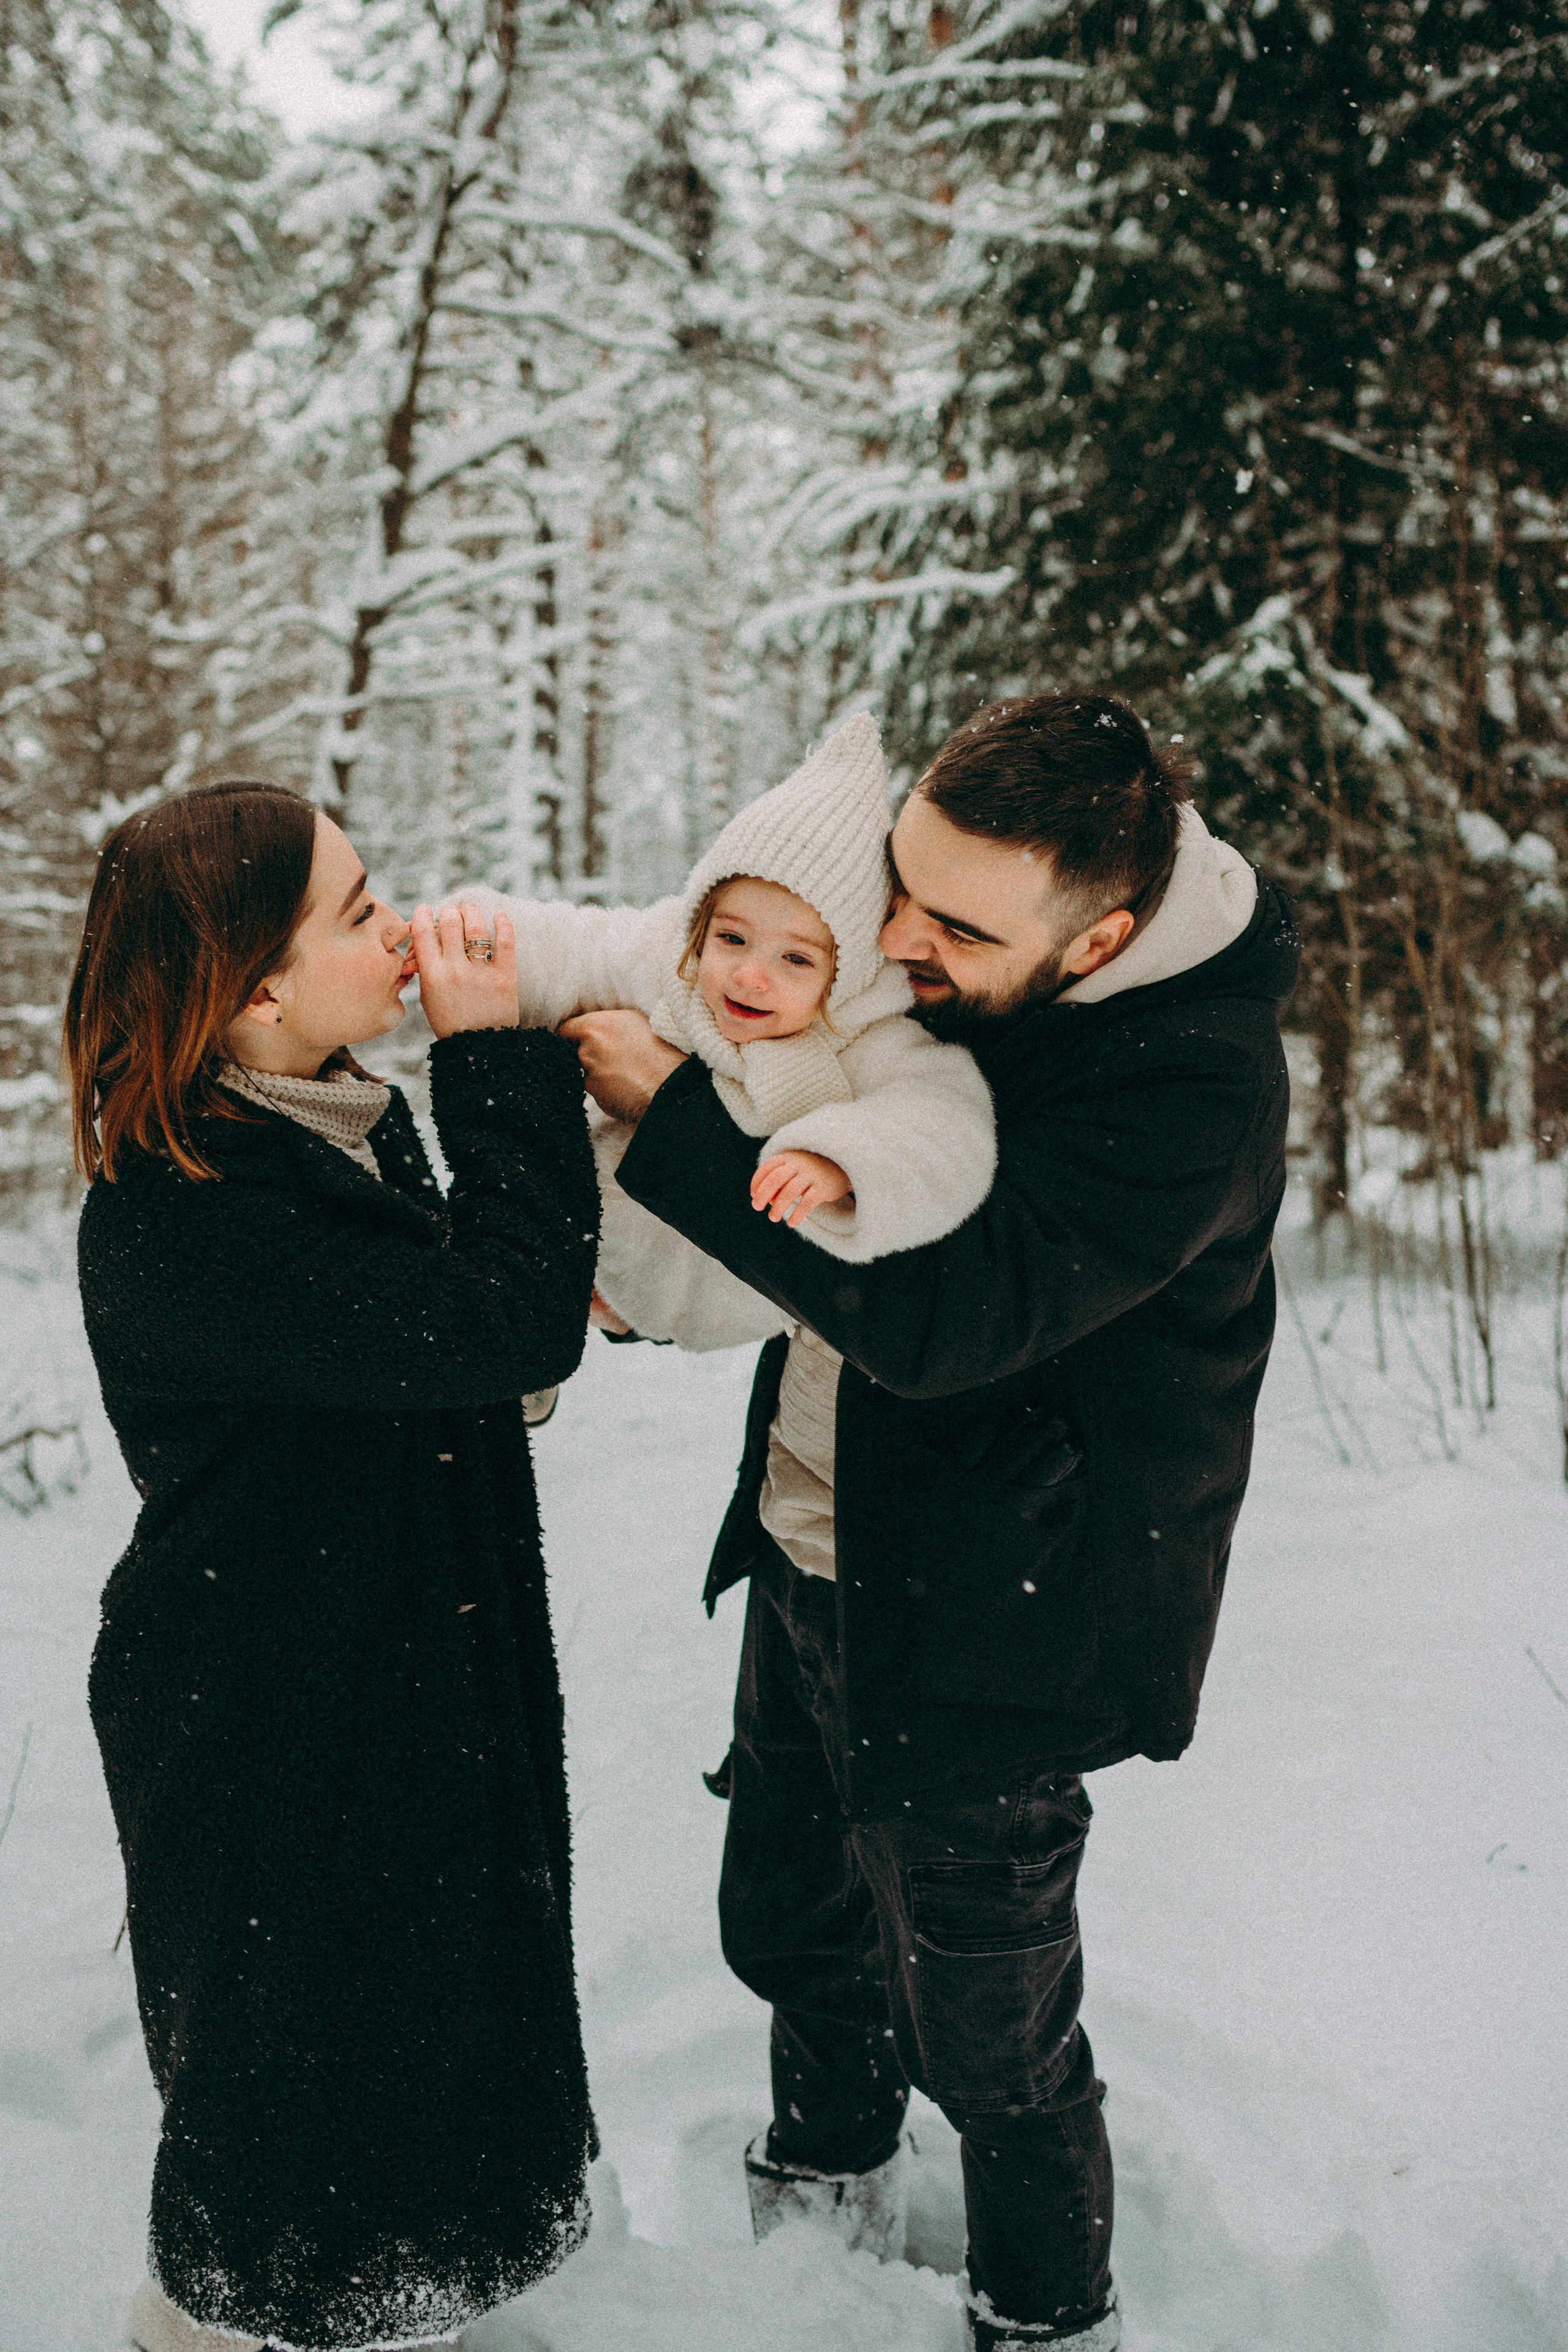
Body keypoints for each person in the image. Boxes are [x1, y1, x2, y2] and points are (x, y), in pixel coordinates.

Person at [559, 693, 1300, 2352]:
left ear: (1100, 934)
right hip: (821, 1542)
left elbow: (946, 1314)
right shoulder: (969, 953)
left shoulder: (1188, 1078)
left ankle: (1045, 2318)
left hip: (1004, 1622)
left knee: (992, 2034)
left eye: (952, 923)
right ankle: (808, 2251)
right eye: (901, 884)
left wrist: (679, 1125)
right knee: (797, 1933)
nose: (893, 941)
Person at [63, 781, 600, 2352]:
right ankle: (217, 2324)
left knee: (406, 2032)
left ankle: (394, 2298)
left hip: (380, 1660)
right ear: (254, 988)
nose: (398, 923)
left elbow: (464, 1339)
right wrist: (500, 1049)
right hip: (266, 1709)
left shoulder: (327, 1117)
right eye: (358, 910)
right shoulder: (184, 1209)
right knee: (284, 2086)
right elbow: (497, 1321)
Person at [471, 711, 997, 1368]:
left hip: (730, 1290)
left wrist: (841, 1164)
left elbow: (944, 1131)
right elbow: (580, 947)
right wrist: (473, 940)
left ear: (848, 972)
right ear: (701, 923)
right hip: (580, 1240)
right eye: (732, 938)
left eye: (796, 960)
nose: (750, 974)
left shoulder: (870, 1037)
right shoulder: (673, 962)